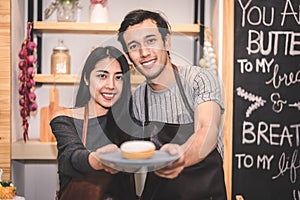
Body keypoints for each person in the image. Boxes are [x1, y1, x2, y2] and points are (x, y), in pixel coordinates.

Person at [117, 9, 227, 199]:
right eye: (134, 46)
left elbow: (206, 129)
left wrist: (179, 159)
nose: (144, 53)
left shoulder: (200, 79)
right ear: (129, 56)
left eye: (151, 40)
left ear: (167, 42)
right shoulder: (138, 98)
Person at [50, 46, 136, 200]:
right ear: (86, 79)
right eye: (102, 76)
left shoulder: (130, 122)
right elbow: (72, 156)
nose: (111, 85)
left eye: (118, 77)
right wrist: (99, 159)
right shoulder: (64, 119)